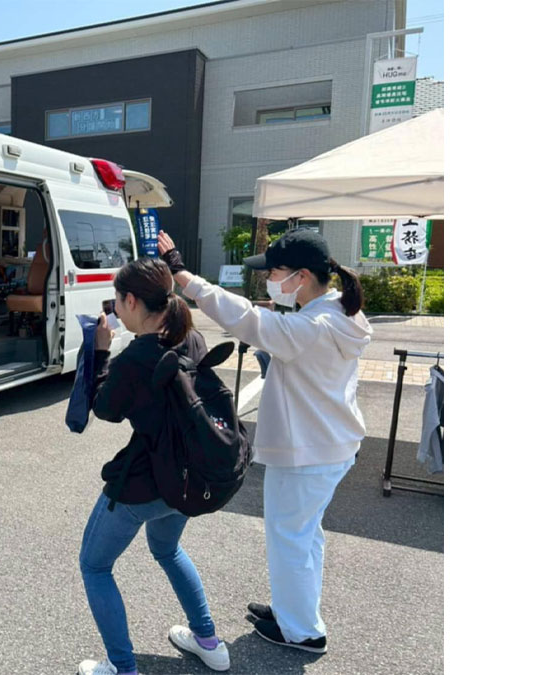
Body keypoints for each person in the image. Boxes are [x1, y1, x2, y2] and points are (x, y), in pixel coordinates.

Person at [157, 228, 370, 654]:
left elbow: (247, 320)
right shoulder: (337, 315)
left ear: (302, 276)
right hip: (330, 446)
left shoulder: (312, 326)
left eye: (275, 271)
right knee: (305, 537)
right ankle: (296, 612)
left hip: (307, 453)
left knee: (291, 538)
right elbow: (271, 323)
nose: (269, 279)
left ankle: (303, 632)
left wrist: (183, 275)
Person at [76, 258, 230, 675]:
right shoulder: (191, 337)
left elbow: (105, 409)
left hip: (145, 483)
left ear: (129, 301)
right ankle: (209, 641)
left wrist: (102, 352)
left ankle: (123, 667)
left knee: (94, 565)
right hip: (189, 477)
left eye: (117, 300)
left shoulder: (136, 356)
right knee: (166, 548)